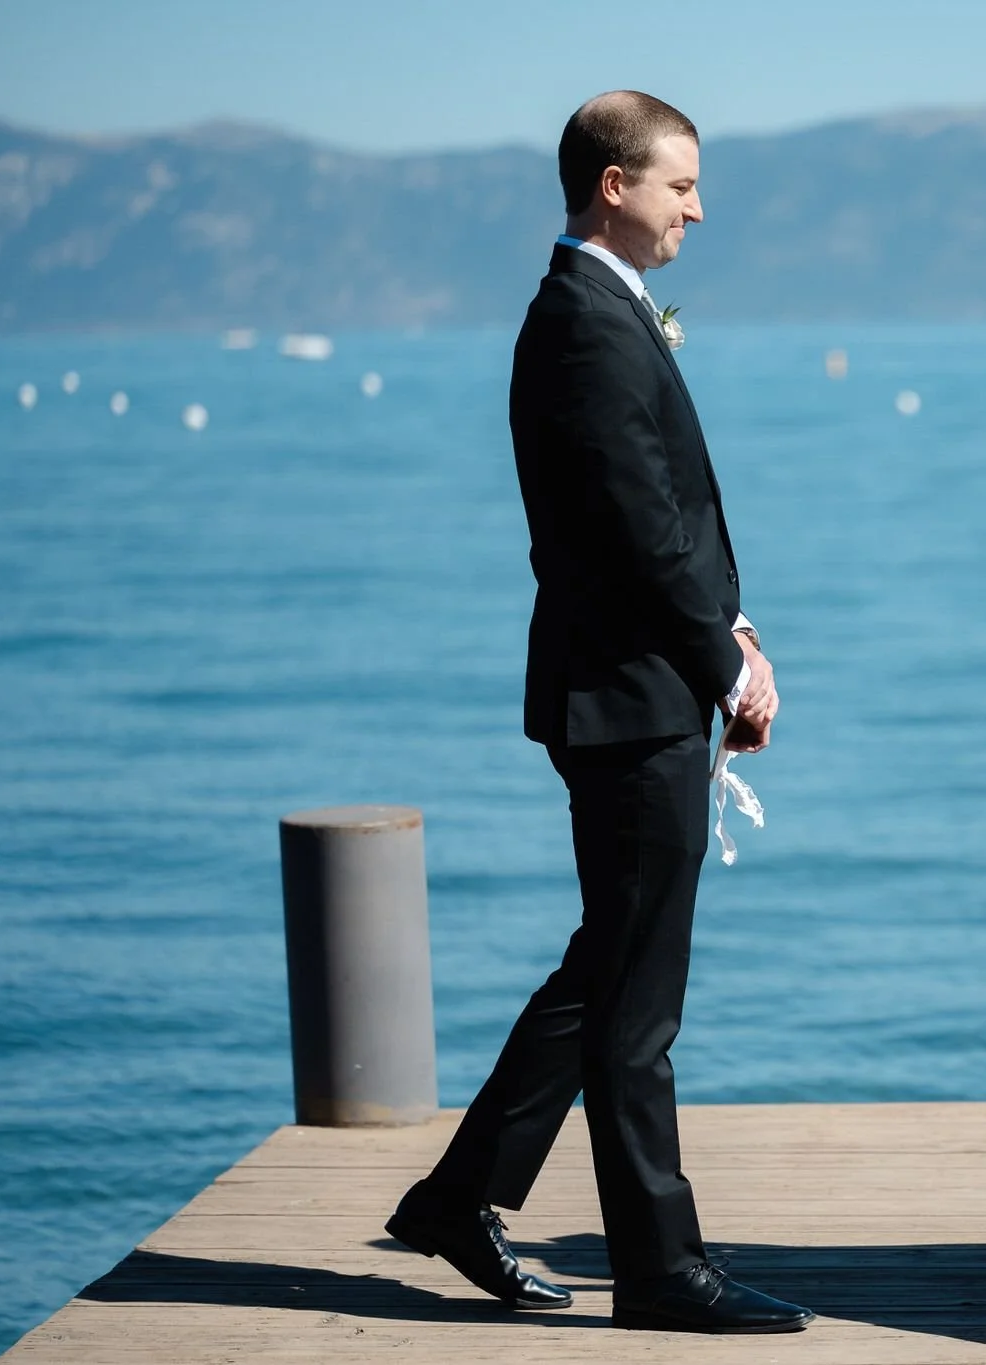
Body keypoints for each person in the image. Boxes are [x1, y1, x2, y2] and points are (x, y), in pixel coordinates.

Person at [383, 91, 812, 1335]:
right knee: (636, 1001)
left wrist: (726, 638)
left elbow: (658, 521)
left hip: (643, 686)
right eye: (680, 183)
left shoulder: (603, 313)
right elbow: (633, 530)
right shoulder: (582, 324)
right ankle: (660, 1271)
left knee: (611, 973)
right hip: (627, 704)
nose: (697, 205)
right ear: (613, 185)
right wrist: (724, 665)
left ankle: (459, 1200)